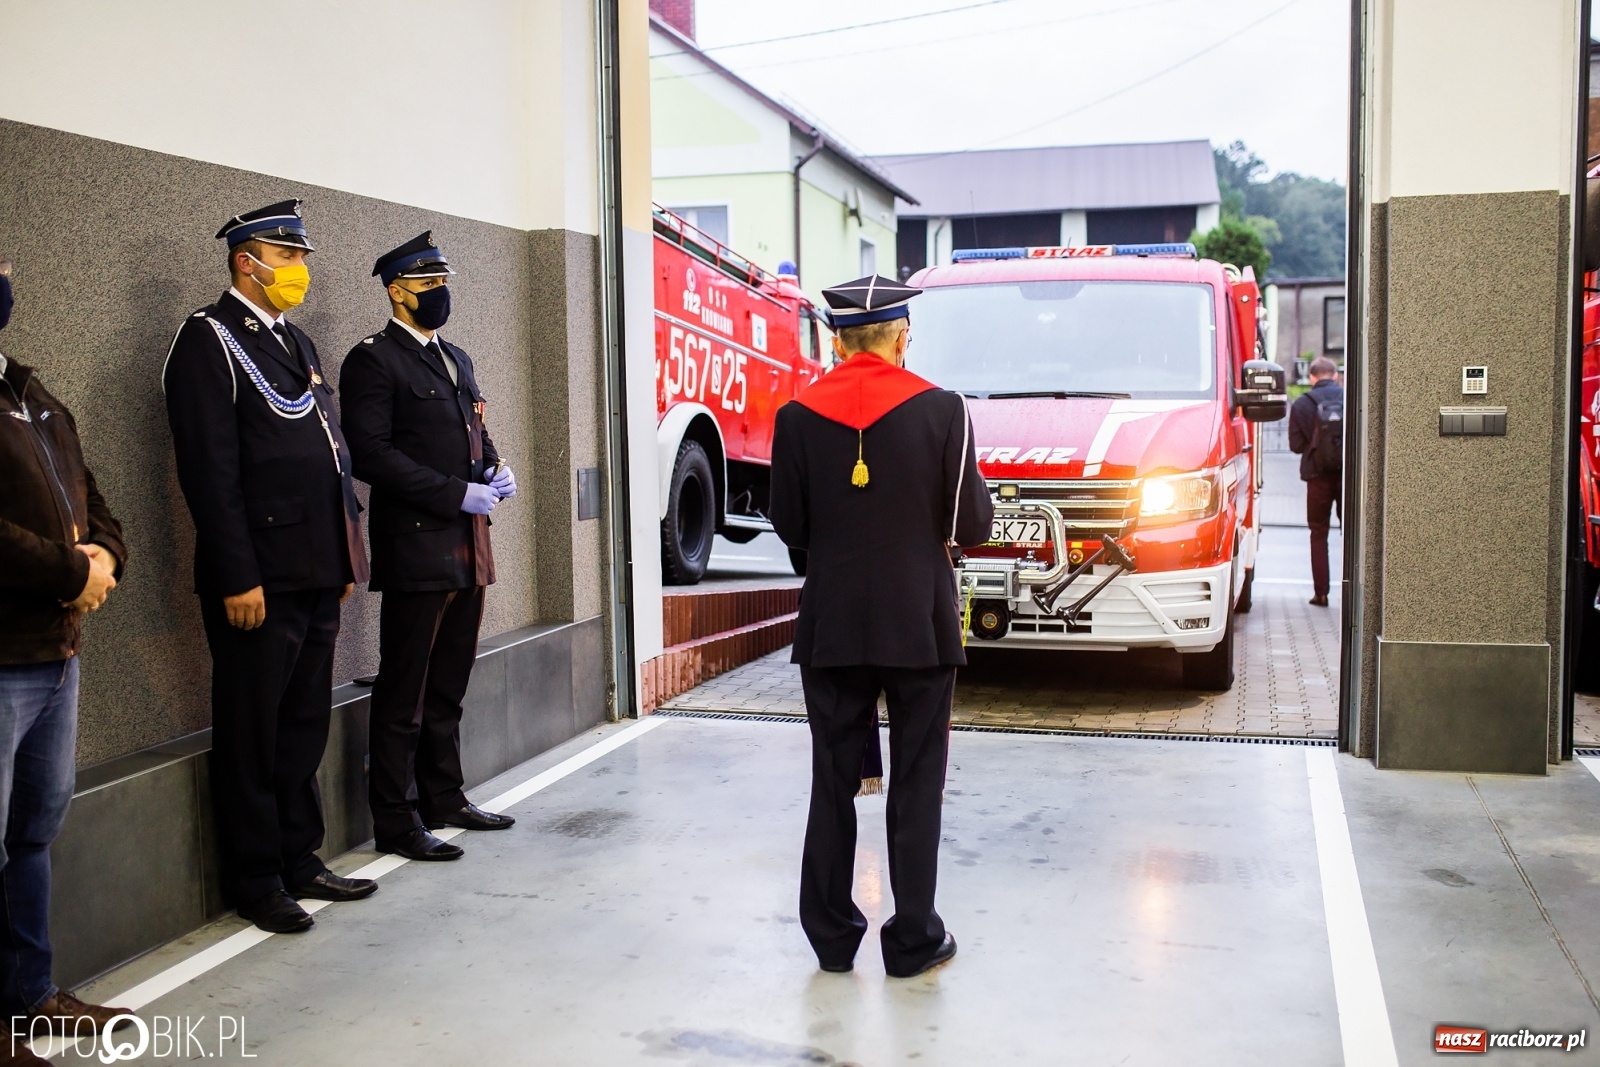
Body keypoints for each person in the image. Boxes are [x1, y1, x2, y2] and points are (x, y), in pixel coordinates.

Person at [769, 274, 993, 979]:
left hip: (831, 621)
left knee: (830, 780)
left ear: (837, 340)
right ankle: (914, 937)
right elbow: (971, 525)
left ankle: (833, 938)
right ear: (901, 336)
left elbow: (791, 526)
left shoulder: (796, 417)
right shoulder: (946, 411)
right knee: (917, 779)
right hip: (919, 624)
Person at [162, 200, 376, 935]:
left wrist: (345, 551)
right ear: (244, 261)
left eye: (299, 257)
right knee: (253, 729)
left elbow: (331, 453)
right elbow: (209, 472)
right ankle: (256, 876)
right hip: (258, 575)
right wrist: (235, 573)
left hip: (314, 567)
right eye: (286, 257)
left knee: (303, 723)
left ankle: (299, 855)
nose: (298, 270)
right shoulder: (209, 339)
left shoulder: (299, 343)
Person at [339, 233, 517, 862]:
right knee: (404, 691)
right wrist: (452, 494)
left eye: (443, 284)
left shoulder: (456, 357)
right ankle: (396, 816)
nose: (440, 295)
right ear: (396, 291)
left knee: (448, 683)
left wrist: (495, 470)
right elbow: (371, 455)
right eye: (427, 286)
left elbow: (476, 427)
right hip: (417, 548)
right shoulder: (374, 360)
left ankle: (444, 795)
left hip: (469, 546)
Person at [0, 255, 134, 1061]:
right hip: (4, 654)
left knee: (32, 832)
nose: (7, 277)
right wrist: (71, 570)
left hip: (56, 654)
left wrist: (104, 562)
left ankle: (29, 995)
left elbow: (99, 500)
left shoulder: (34, 395)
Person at [1288, 356, 1344, 607]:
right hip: (1347, 476)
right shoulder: (1349, 398)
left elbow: (1296, 445)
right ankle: (1354, 593)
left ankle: (1321, 593)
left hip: (1316, 478)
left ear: (1311, 377)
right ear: (1334, 375)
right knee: (1352, 533)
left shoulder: (1301, 404)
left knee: (1318, 534)